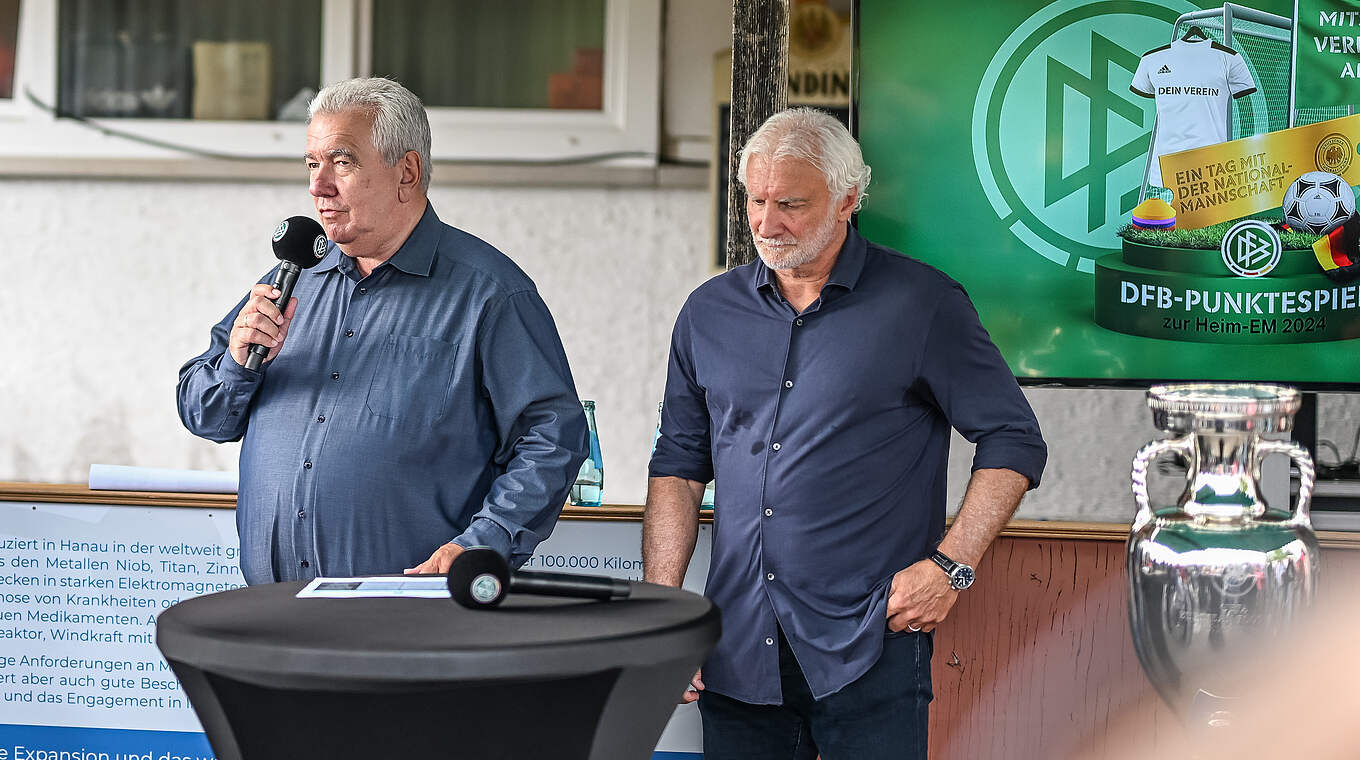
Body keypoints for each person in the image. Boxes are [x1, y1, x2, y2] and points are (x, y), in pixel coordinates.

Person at [643, 108, 1047, 759]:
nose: (767, 224)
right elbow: (678, 467)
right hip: (737, 654)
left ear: (849, 198)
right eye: (756, 199)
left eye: (791, 205)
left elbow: (1013, 440)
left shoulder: (923, 304)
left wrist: (953, 566)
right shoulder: (707, 313)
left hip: (871, 649)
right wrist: (663, 612)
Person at [177, 77, 588, 585]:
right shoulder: (290, 280)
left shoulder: (490, 294)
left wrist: (486, 542)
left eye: (342, 162)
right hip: (277, 614)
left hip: (410, 622)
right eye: (312, 164)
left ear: (406, 173)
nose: (317, 186)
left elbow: (552, 435)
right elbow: (206, 415)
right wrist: (237, 365)